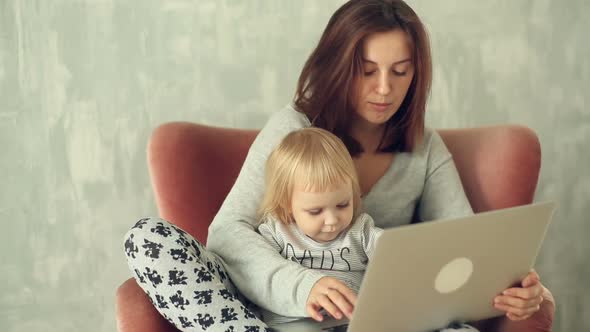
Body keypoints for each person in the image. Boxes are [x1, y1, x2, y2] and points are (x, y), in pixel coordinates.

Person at [124, 0, 551, 331]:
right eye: (366, 71)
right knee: (149, 240)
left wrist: (515, 287)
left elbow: (464, 249)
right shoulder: (292, 128)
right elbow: (227, 234)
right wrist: (302, 285)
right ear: (339, 66)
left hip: (372, 320)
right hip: (269, 316)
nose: (384, 89)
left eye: (400, 72)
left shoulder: (424, 149)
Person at [256, 127, 384, 326]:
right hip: (295, 319)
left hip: (351, 319)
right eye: (316, 211)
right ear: (287, 206)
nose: (332, 220)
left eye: (343, 205)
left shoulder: (360, 230)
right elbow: (259, 272)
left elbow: (394, 252)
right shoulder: (276, 232)